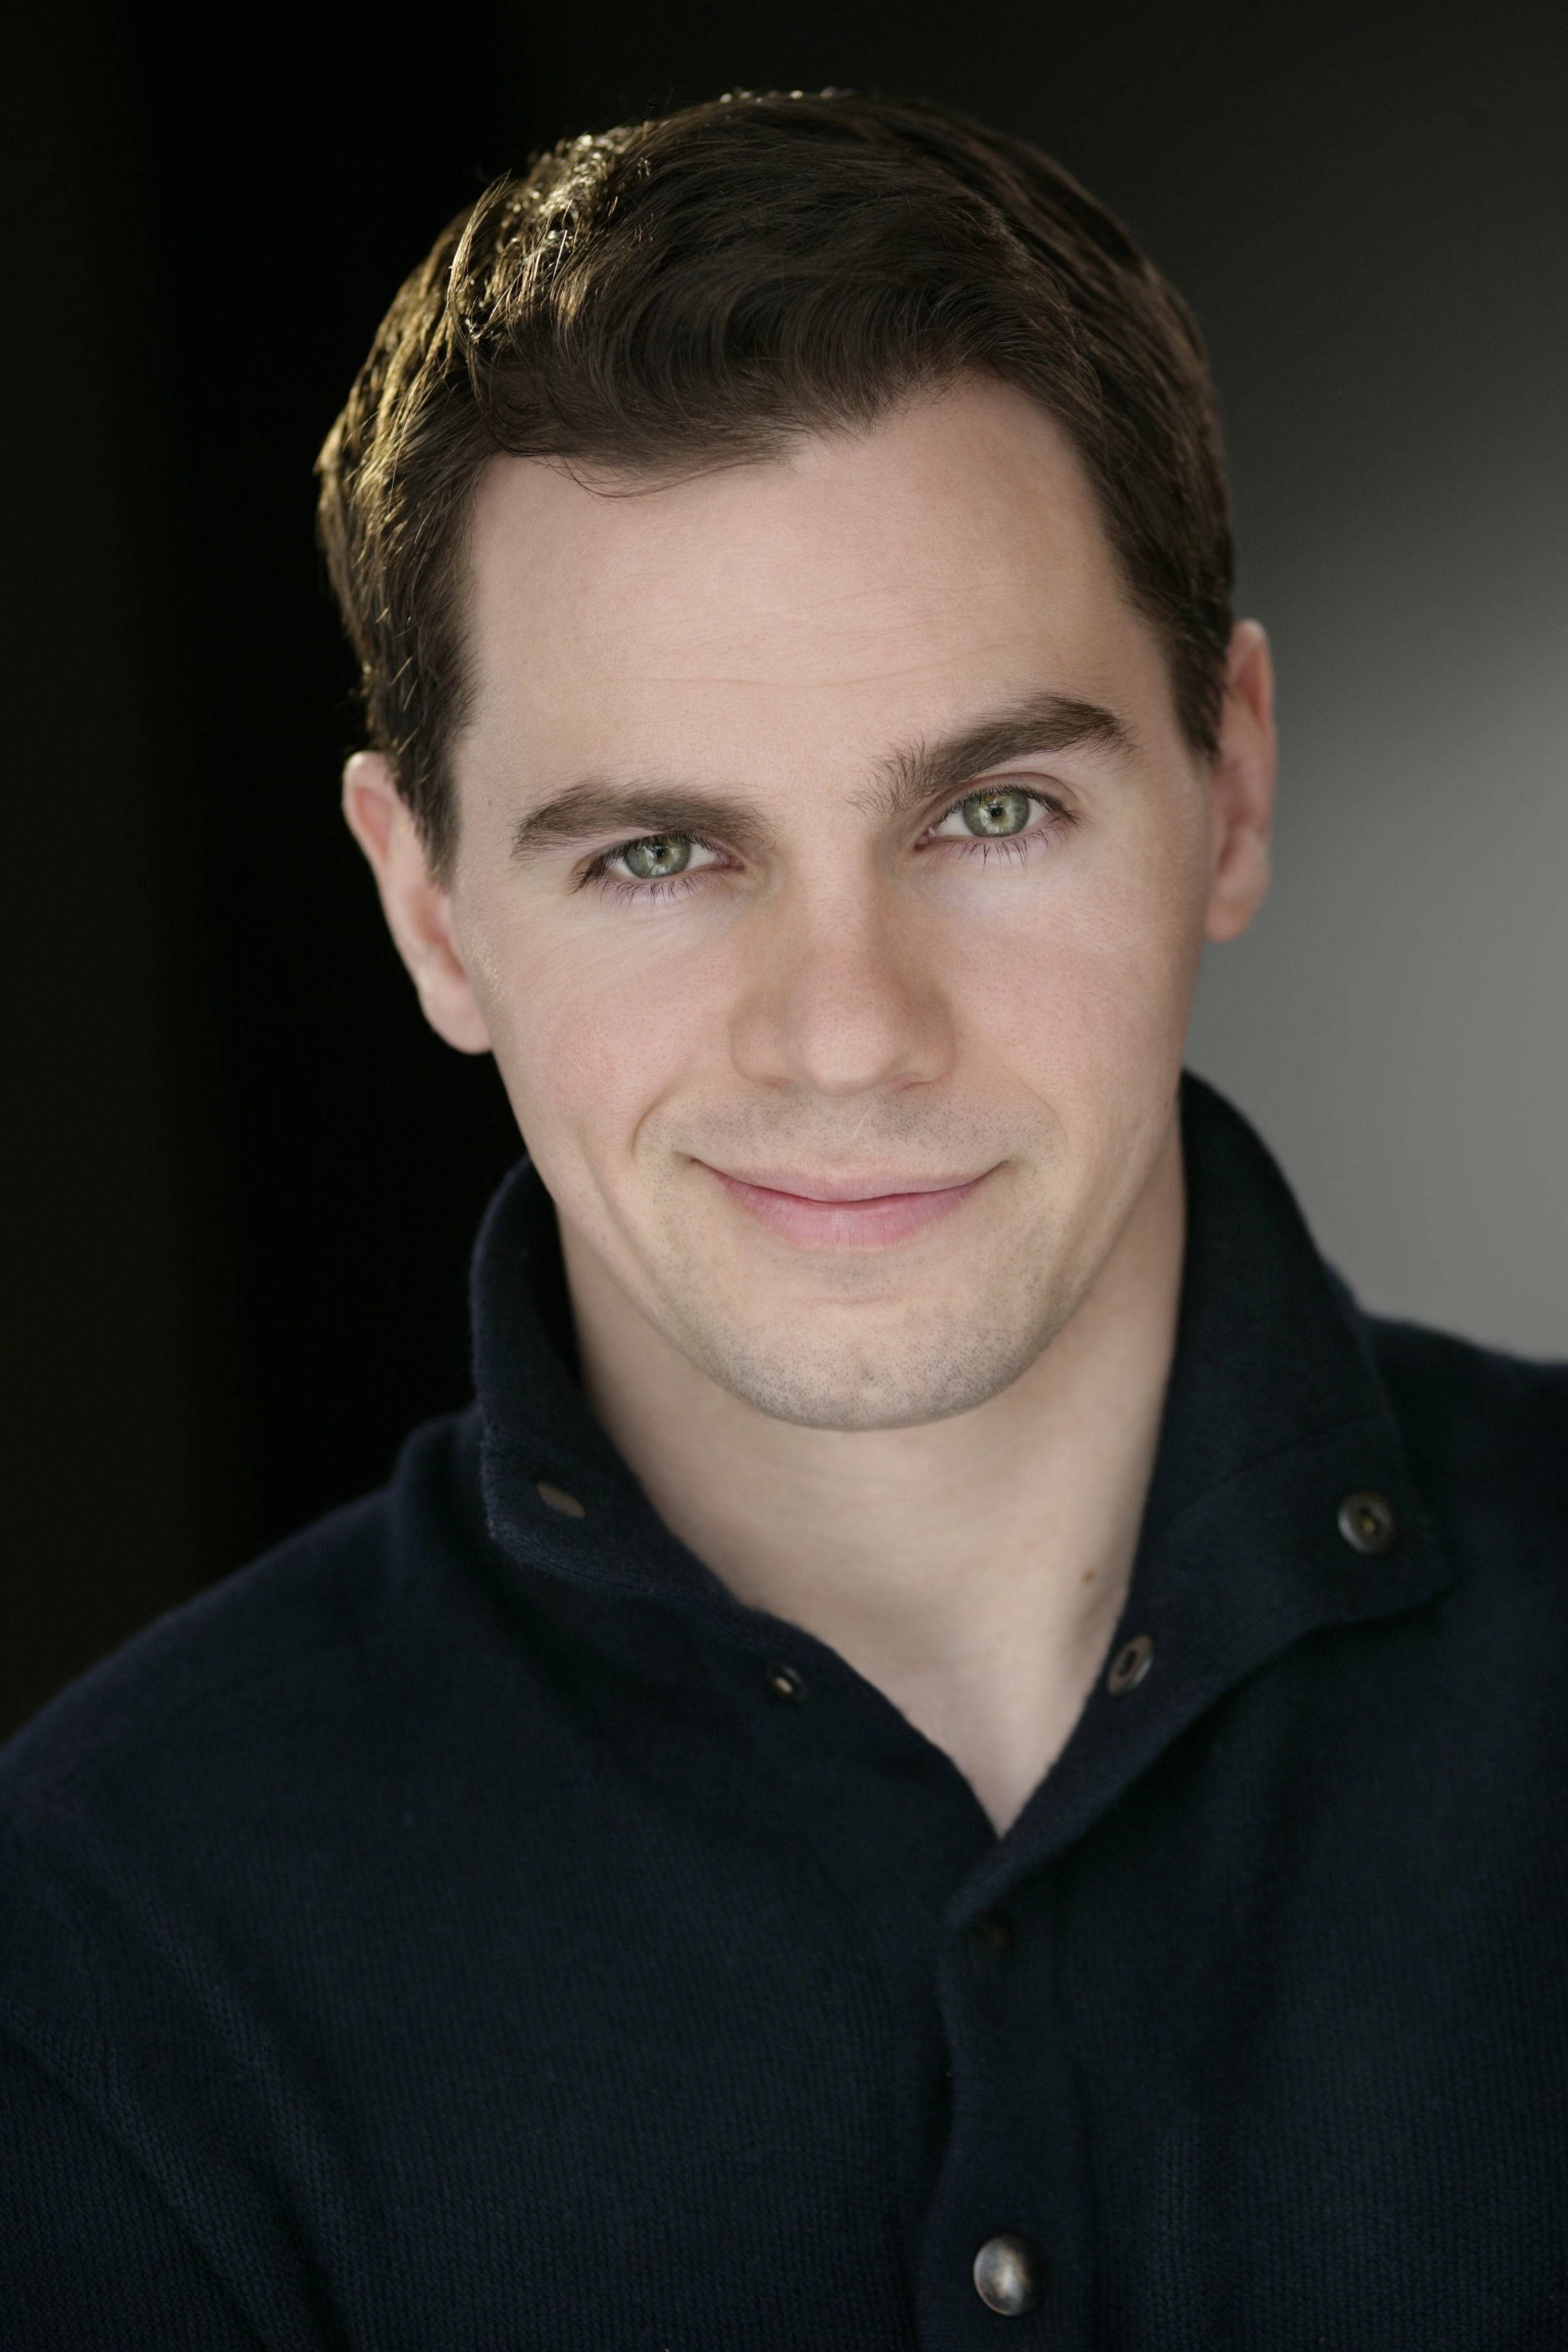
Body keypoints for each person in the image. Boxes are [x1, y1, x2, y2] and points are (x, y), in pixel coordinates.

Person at [1, 89, 1563, 2350]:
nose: (847, 1034)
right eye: (658, 854)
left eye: (991, 810)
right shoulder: (100, 1962)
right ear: (429, 913)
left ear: (1231, 787)